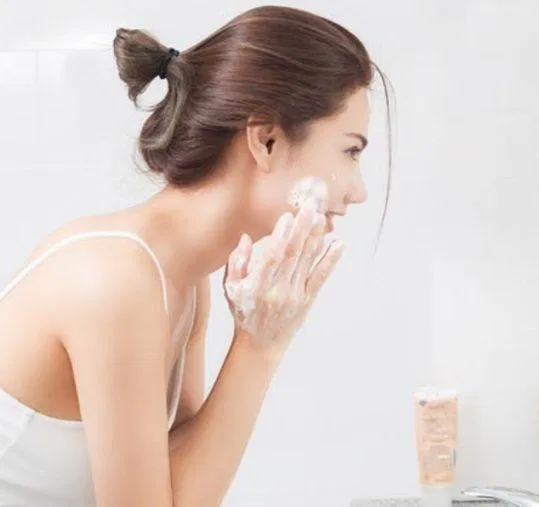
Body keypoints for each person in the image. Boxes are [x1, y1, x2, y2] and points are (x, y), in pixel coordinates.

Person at [0, 5, 391, 506]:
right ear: (267, 140)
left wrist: (260, 339)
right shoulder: (114, 279)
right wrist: (259, 347)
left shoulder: (182, 280)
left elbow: (180, 489)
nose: (358, 191)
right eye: (350, 151)